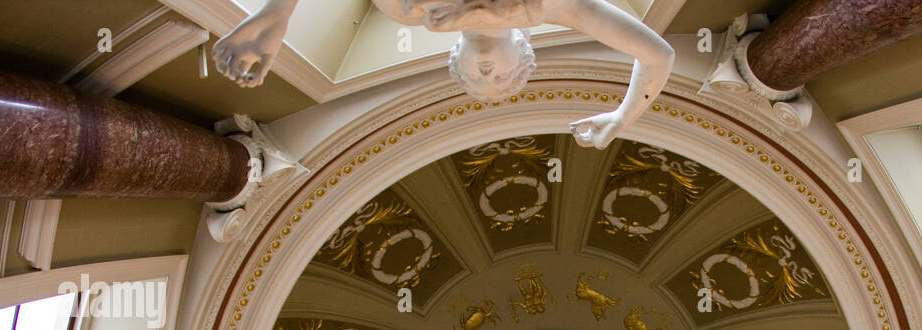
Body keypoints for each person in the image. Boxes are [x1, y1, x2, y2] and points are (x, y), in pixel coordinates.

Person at [212, 0, 675, 149]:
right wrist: (622, 118)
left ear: (456, 55)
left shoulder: (410, 11)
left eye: (478, 79)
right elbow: (657, 56)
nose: (488, 75)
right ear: (524, 51)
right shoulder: (550, 6)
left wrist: (276, 18)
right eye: (501, 79)